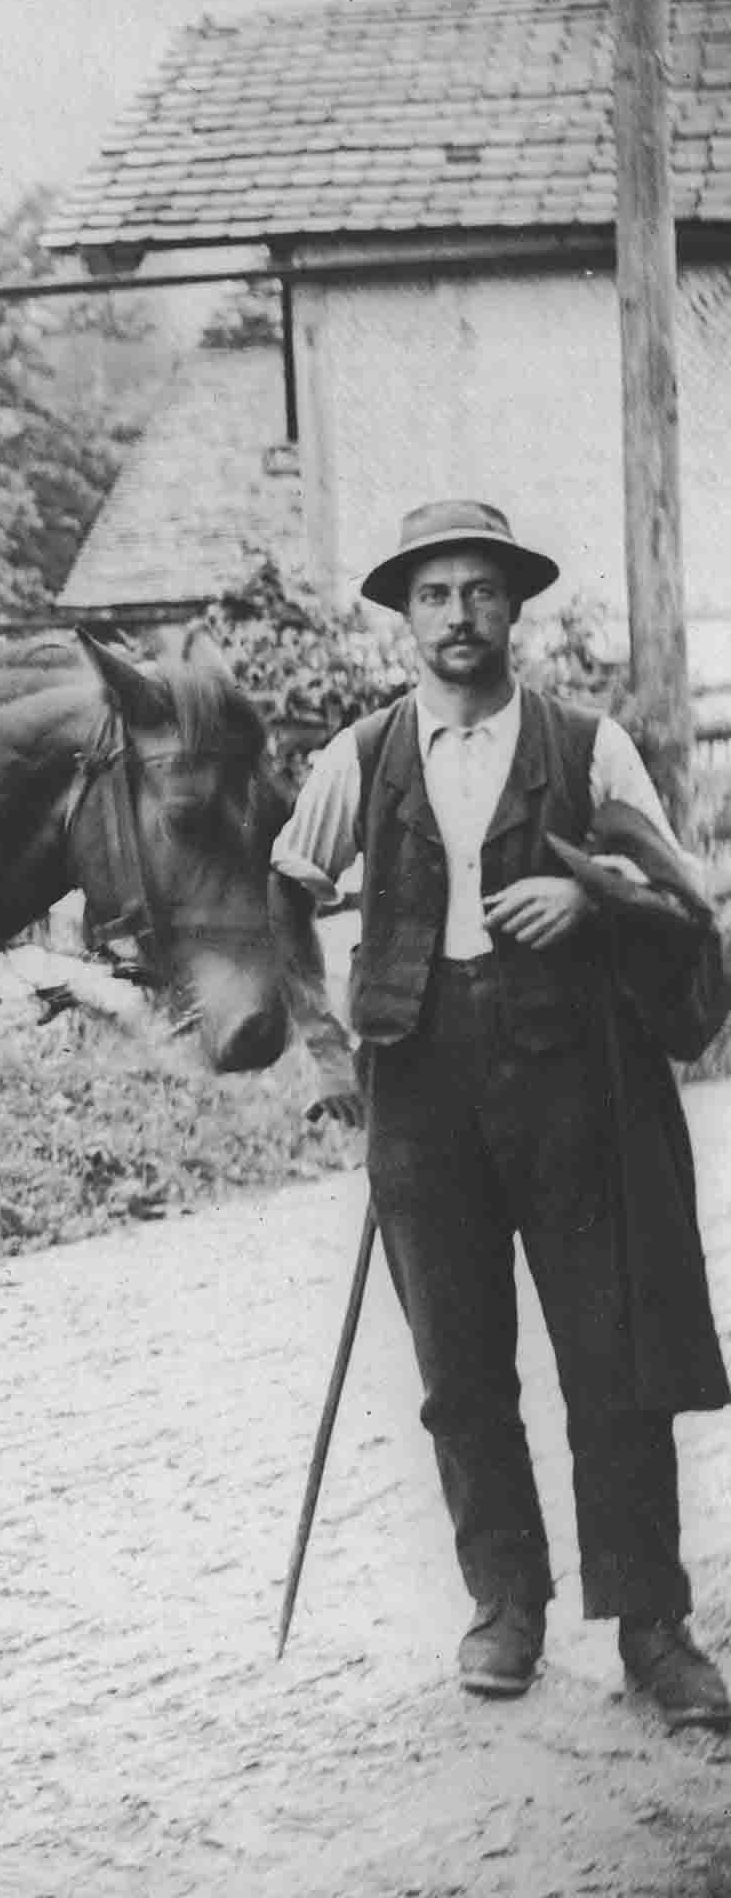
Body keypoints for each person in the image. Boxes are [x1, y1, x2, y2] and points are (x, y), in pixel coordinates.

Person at [273, 501, 729, 1731]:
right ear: (405, 616)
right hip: (417, 1085)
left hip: (575, 1078)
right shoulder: (356, 757)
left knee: (609, 1355)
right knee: (457, 1368)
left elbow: (679, 902)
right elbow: (281, 893)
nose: (459, 614)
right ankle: (504, 1604)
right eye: (434, 593)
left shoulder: (589, 747)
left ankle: (649, 1623)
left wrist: (585, 896)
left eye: (480, 590)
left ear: (512, 608)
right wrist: (325, 1052)